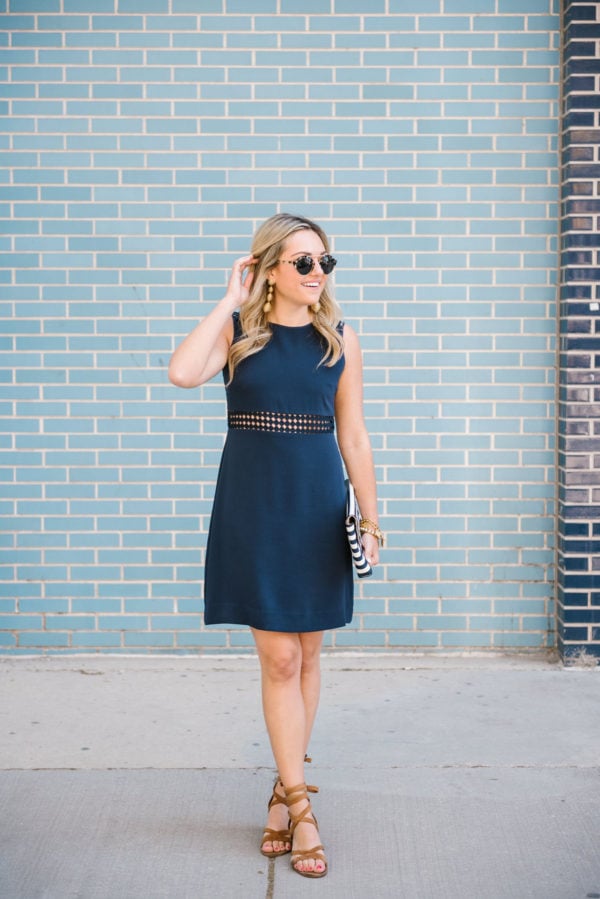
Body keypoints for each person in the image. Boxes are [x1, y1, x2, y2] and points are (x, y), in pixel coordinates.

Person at [168, 213, 381, 879]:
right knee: (281, 658)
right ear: (268, 269)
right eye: (303, 262)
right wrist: (229, 299)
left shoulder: (340, 339)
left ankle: (282, 793)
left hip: (317, 509)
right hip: (255, 509)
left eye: (325, 262)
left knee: (309, 653)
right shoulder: (237, 333)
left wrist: (372, 521)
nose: (318, 273)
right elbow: (181, 372)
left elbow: (355, 436)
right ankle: (300, 804)